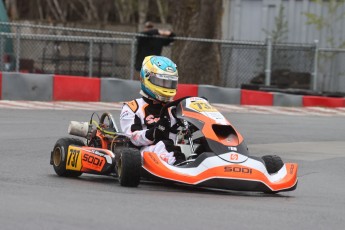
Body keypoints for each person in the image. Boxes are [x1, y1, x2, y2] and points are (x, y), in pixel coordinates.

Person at [120, 55, 185, 165]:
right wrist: (153, 132)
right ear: (146, 78)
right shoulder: (133, 107)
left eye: (170, 83)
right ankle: (182, 166)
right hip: (144, 152)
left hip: (173, 148)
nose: (166, 87)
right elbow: (133, 138)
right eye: (162, 82)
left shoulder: (175, 108)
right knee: (163, 145)